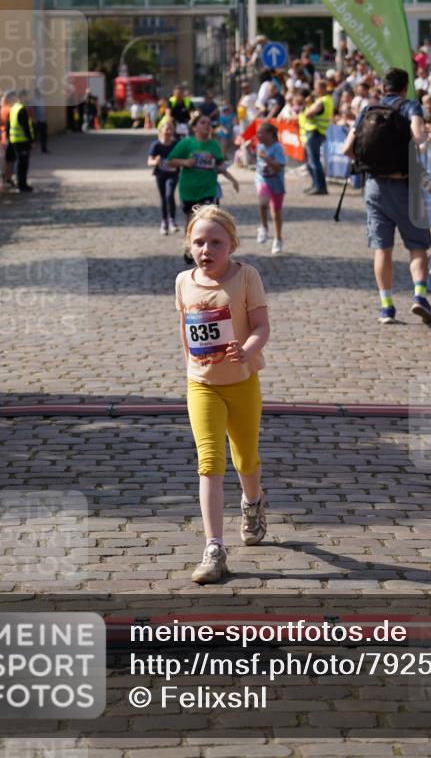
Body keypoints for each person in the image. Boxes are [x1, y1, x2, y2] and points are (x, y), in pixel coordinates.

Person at [175, 205, 270, 584]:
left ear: (232, 243)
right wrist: (194, 366)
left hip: (243, 382)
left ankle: (253, 503)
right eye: (198, 242)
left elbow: (262, 326)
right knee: (209, 461)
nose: (206, 249)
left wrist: (246, 348)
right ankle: (214, 548)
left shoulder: (246, 277)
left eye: (215, 242)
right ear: (189, 245)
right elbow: (185, 329)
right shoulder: (184, 281)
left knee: (246, 457)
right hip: (201, 385)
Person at [342, 67, 431, 327]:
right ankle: (419, 296)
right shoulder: (410, 107)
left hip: (374, 188)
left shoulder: (367, 110)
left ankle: (386, 307)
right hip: (404, 185)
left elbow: (347, 149)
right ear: (405, 87)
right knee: (417, 245)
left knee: (382, 249)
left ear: (383, 87)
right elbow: (419, 138)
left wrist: (371, 162)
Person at [167, 112, 239, 262]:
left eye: (209, 124)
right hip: (189, 189)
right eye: (203, 123)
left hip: (209, 189)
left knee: (211, 220)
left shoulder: (214, 145)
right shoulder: (187, 144)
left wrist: (232, 179)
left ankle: (212, 252)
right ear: (194, 128)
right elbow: (170, 161)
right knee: (192, 222)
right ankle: (190, 249)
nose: (207, 126)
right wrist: (185, 163)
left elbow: (219, 164)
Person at [255, 122, 286, 255]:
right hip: (262, 179)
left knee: (276, 212)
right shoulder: (259, 146)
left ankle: (278, 238)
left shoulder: (277, 148)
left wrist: (266, 159)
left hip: (277, 182)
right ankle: (263, 227)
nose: (258, 136)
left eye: (261, 133)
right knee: (263, 203)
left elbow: (279, 167)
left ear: (270, 134)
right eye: (258, 133)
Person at [147, 119, 180, 234]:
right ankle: (164, 222)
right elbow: (149, 161)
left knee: (169, 194)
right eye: (166, 129)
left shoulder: (176, 144)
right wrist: (155, 162)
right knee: (163, 198)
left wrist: (176, 162)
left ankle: (172, 220)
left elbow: (183, 158)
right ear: (161, 130)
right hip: (160, 174)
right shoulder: (156, 145)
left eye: (171, 129)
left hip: (173, 174)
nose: (169, 131)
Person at [302, 78, 334, 195]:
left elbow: (309, 114)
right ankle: (316, 185)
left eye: (316, 87)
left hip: (315, 131)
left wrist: (308, 105)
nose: (314, 89)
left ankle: (320, 187)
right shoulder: (327, 99)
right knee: (312, 161)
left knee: (314, 161)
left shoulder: (322, 101)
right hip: (318, 132)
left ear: (321, 88)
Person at [8, 89, 35, 192]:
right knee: (23, 163)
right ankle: (22, 185)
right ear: (23, 97)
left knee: (20, 163)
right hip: (22, 140)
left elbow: (9, 124)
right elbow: (25, 127)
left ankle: (21, 183)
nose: (29, 98)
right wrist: (31, 140)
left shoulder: (14, 108)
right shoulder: (21, 109)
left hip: (14, 139)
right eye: (27, 96)